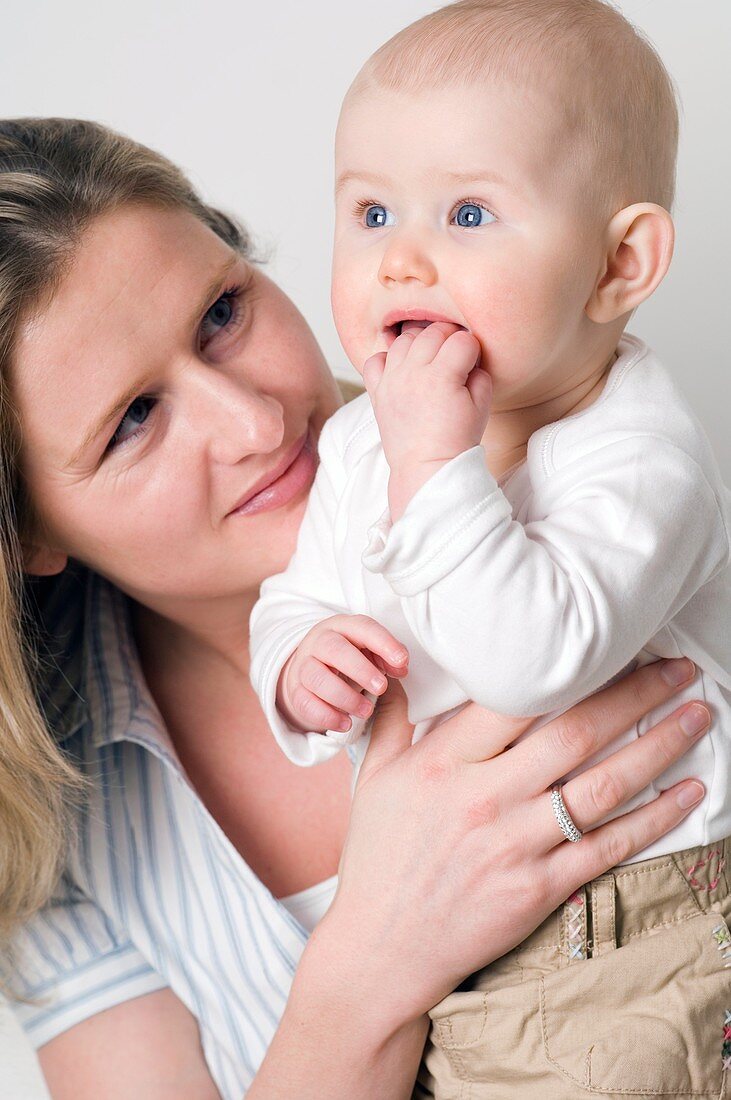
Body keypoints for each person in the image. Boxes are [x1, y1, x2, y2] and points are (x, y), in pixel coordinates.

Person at [0, 117, 711, 1100]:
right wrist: (372, 960)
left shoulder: (593, 484)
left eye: (220, 312)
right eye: (132, 420)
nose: (254, 422)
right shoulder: (54, 828)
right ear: (30, 531)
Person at [248, 1, 731, 1095]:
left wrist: (434, 461)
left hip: (625, 923)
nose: (400, 260)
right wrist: (295, 656)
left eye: (467, 213)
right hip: (451, 922)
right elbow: (295, 591)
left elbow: (532, 658)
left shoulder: (640, 457)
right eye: (369, 211)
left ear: (619, 262)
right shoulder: (362, 440)